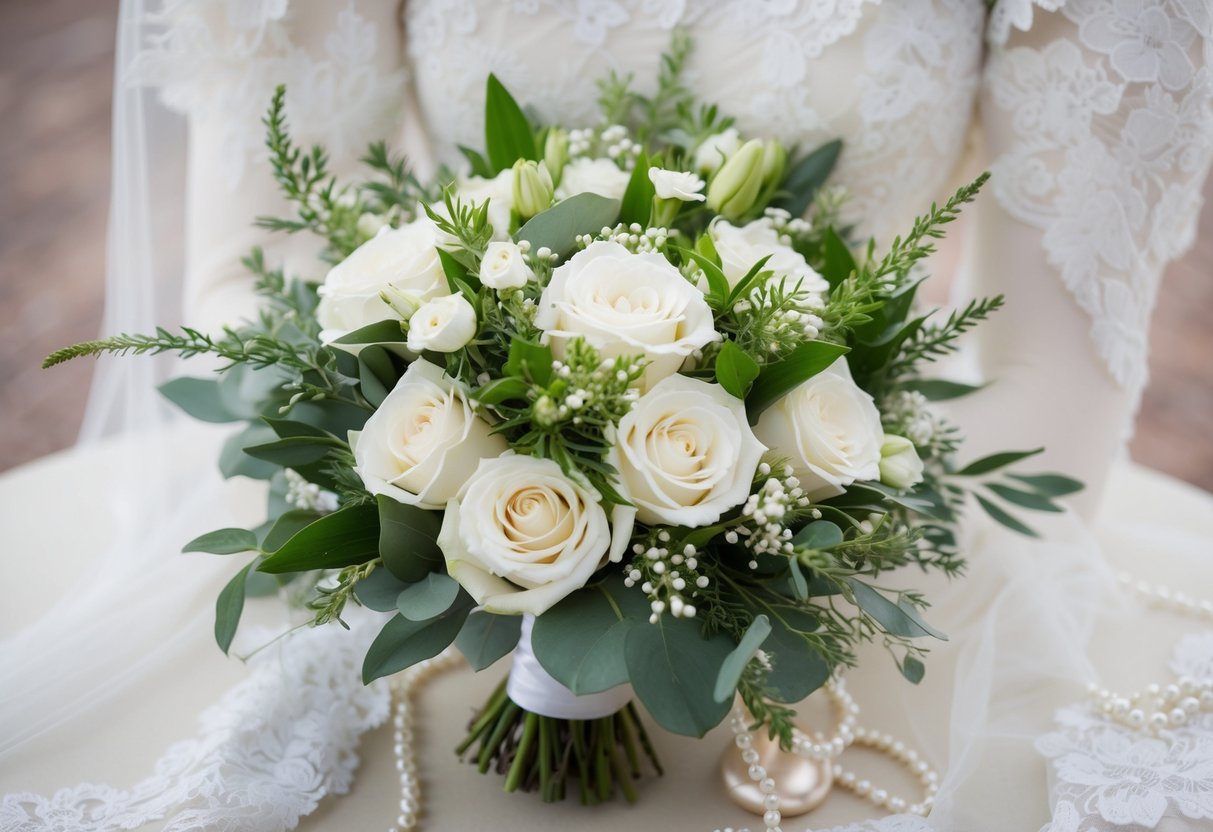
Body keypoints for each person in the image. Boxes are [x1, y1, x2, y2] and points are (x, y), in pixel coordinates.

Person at [3, 2, 1211, 830]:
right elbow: (259, 282)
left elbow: (1043, 399)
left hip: (833, 591)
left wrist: (737, 546)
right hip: (426, 594)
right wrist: (462, 509)